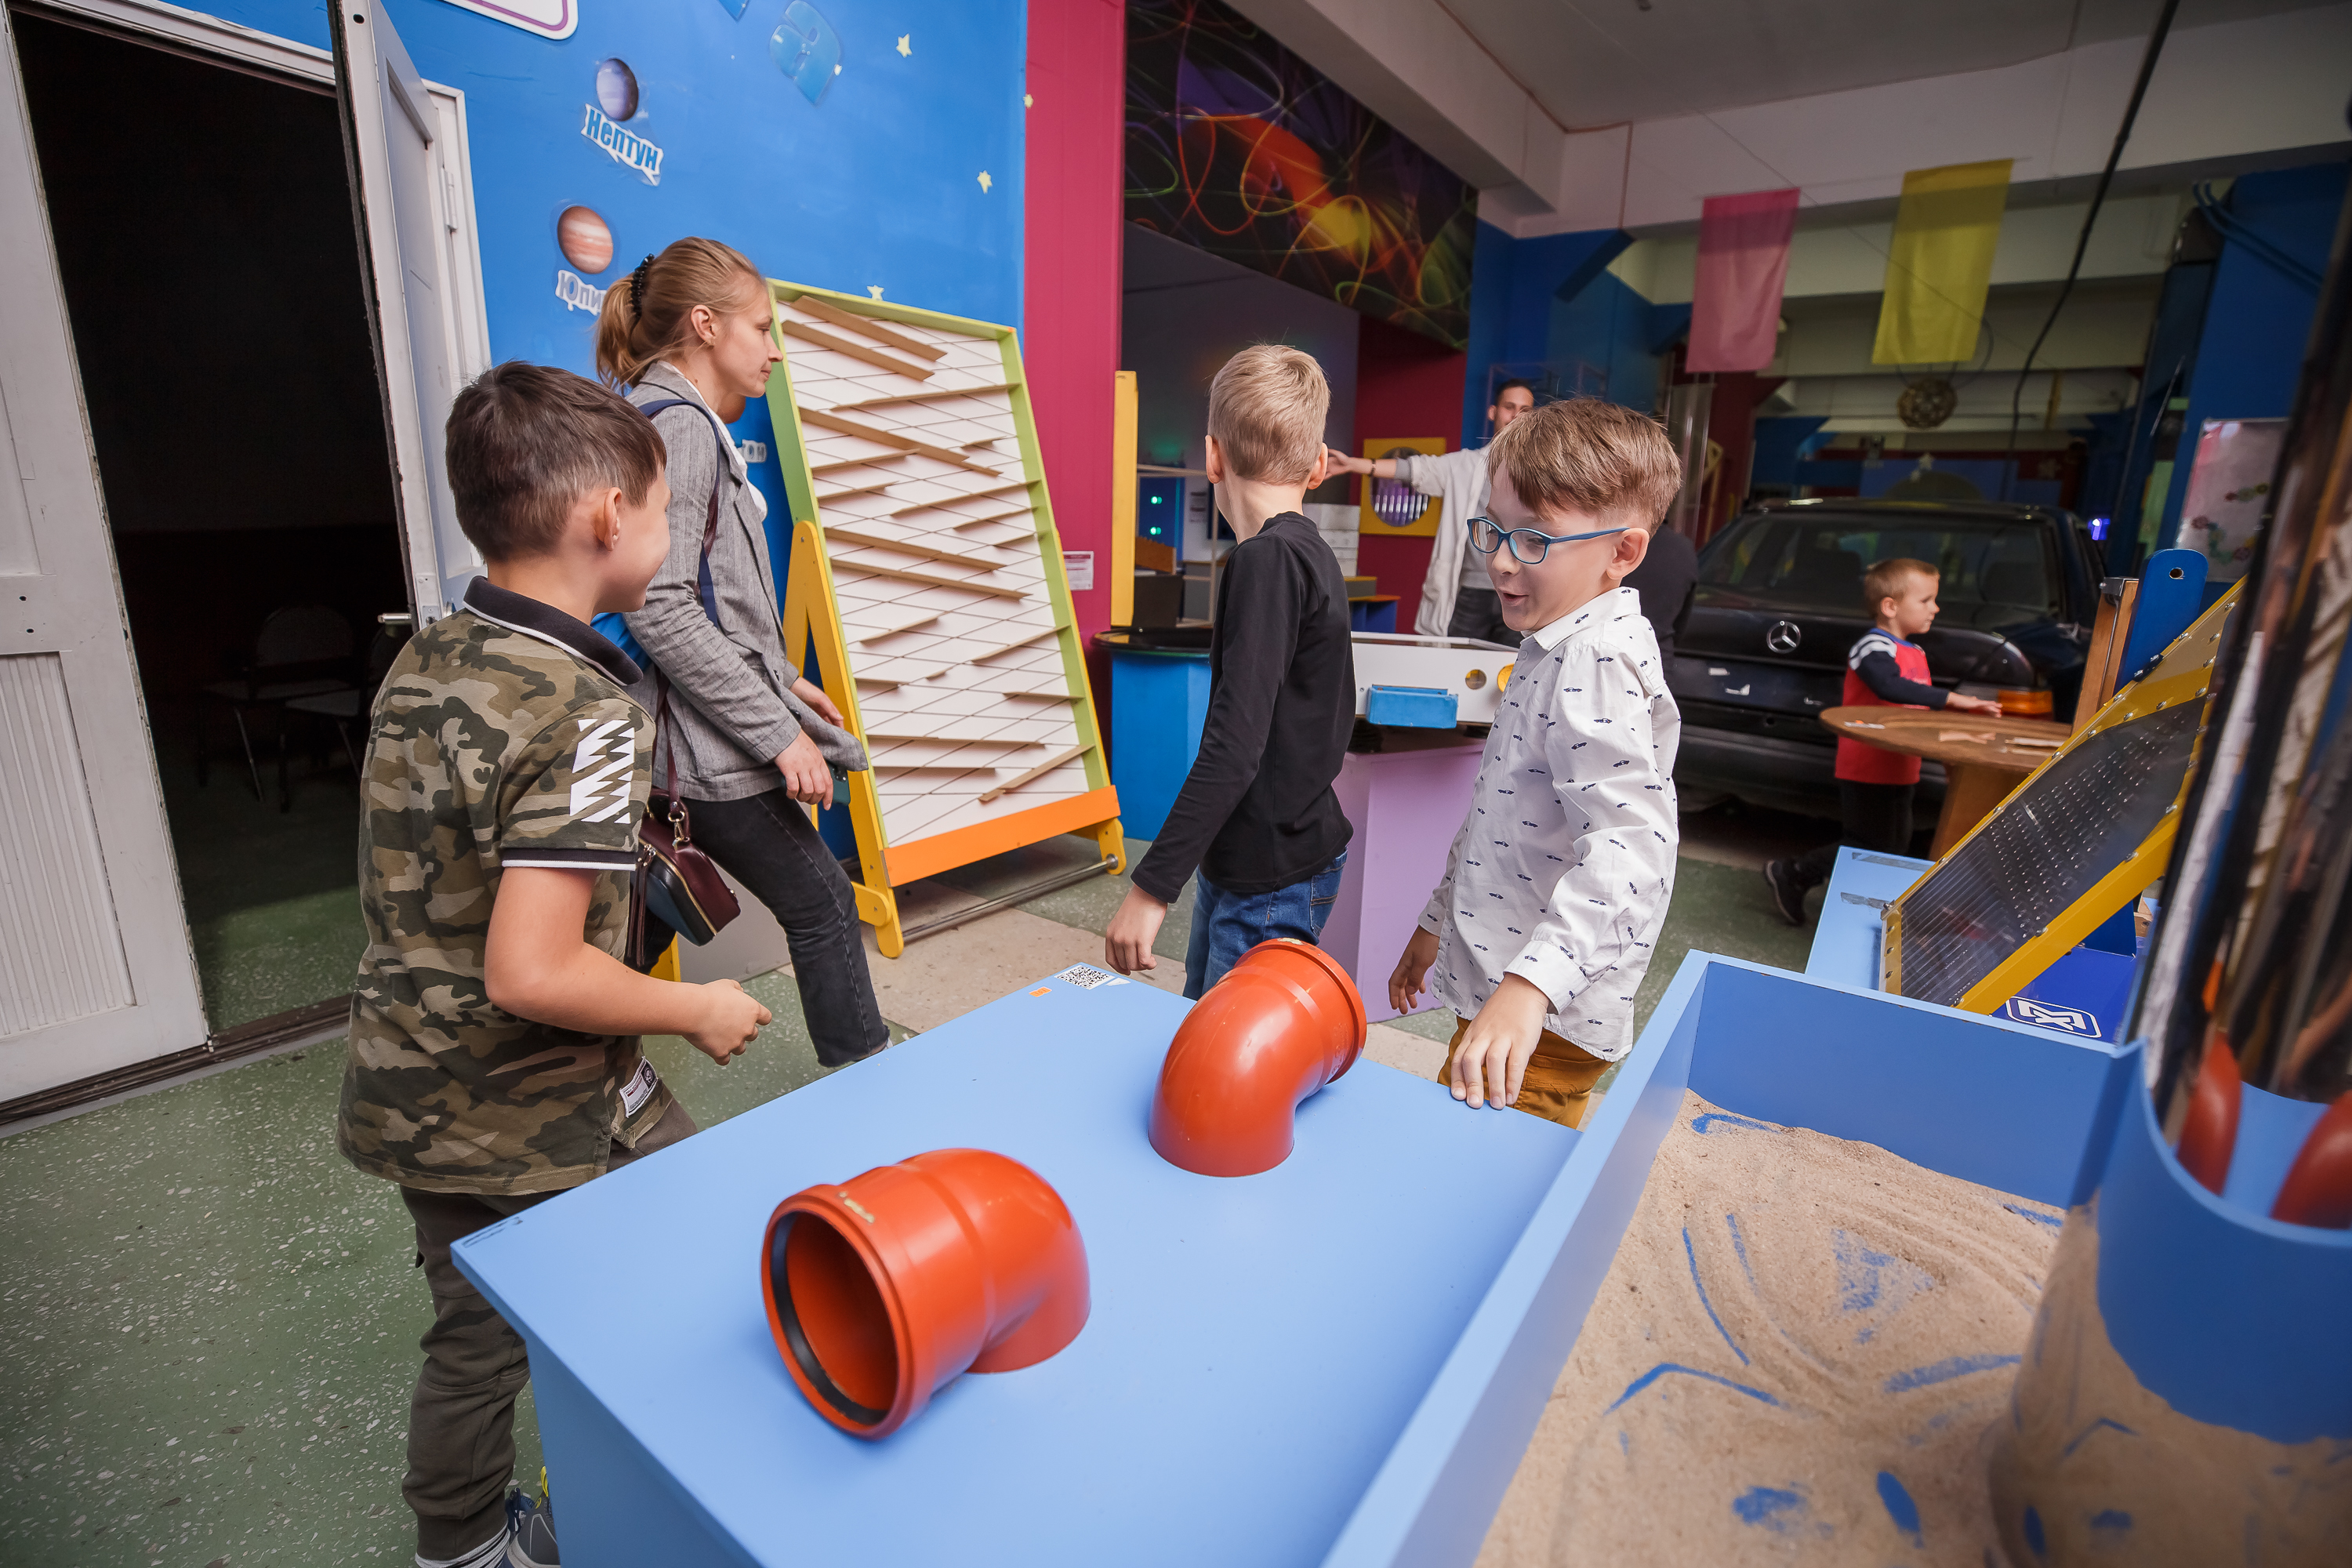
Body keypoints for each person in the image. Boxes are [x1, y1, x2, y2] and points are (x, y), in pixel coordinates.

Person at [336, 362, 773, 1568]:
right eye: (662, 510)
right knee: (697, 1258)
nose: (666, 533)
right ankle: (683, 1502)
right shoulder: (585, 712)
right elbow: (532, 971)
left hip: (412, 1081)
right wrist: (693, 1006)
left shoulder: (429, 653)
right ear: (606, 520)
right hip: (533, 1104)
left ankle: (462, 1544)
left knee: (475, 1333)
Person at [596, 238, 887, 1067]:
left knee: (638, 929)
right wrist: (779, 731)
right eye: (761, 327)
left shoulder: (657, 416)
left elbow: (710, 593)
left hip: (675, 740)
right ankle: (870, 1088)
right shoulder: (683, 426)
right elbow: (663, 606)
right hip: (702, 750)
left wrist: (786, 680)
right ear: (704, 324)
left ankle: (576, 1076)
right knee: (824, 902)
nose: (773, 348)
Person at [1385, 398, 1684, 1127]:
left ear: (1622, 553)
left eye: (1534, 539)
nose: (1498, 559)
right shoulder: (1554, 642)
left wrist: (1529, 988)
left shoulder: (1595, 659)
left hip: (1542, 1014)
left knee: (1491, 1168)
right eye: (1493, 529)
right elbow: (1497, 810)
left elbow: (1632, 846)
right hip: (1510, 981)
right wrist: (1436, 922)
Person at [1103, 345, 1356, 996]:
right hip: (1260, 855)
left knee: (1227, 1045)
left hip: (1268, 877)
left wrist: (1151, 887)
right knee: (1204, 1022)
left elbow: (1234, 745)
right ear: (1319, 464)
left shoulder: (1265, 561)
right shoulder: (1311, 554)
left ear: (1212, 457)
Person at [1763, 557, 2003, 924]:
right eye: (1926, 600)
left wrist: (1959, 733)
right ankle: (1793, 872)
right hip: (1868, 764)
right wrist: (1954, 699)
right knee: (1867, 843)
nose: (1935, 608)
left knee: (1892, 846)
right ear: (1890, 606)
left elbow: (1913, 711)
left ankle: (1856, 907)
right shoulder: (1873, 646)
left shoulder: (1915, 652)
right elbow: (1889, 686)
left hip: (1901, 766)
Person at [1325, 377, 1537, 643]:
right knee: (1456, 662)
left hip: (1520, 589)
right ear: (1493, 412)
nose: (1516, 416)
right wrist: (1352, 464)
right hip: (1471, 594)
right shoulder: (1465, 465)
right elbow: (1413, 469)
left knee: (1514, 665)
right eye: (1509, 407)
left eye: (1524, 410)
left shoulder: (1540, 471)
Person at [1624, 517, 1698, 666]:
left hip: (1605, 660)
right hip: (1658, 662)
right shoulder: (1684, 549)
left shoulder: (1614, 544)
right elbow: (1681, 624)